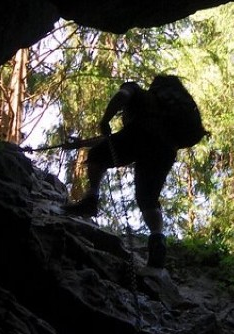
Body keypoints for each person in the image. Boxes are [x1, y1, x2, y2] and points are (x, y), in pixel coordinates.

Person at [62, 76, 181, 269]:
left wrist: (106, 119)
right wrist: (80, 144)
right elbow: (113, 141)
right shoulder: (167, 114)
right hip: (166, 150)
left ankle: (91, 199)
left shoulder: (136, 91)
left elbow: (121, 97)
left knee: (97, 155)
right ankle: (158, 241)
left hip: (140, 138)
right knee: (148, 199)